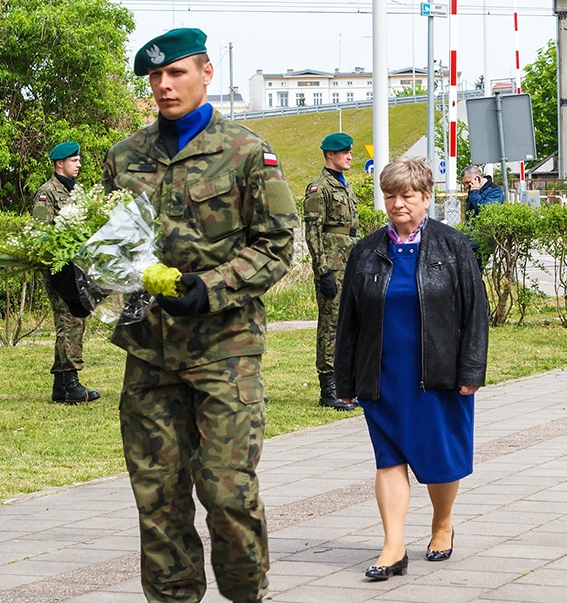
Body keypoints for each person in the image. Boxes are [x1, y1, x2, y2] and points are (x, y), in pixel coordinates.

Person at [98, 28, 297, 603]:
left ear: (206, 73)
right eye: (155, 77)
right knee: (157, 498)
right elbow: (115, 246)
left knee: (227, 492)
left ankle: (245, 594)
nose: (164, 85)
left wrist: (209, 286)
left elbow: (277, 244)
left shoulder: (245, 152)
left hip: (224, 348)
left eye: (176, 72)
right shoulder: (125, 156)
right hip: (149, 350)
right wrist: (79, 275)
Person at [334, 156, 489, 581]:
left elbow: (475, 313)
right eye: (390, 196)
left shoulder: (453, 246)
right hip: (382, 374)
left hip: (438, 372)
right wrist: (343, 378)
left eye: (407, 195)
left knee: (440, 458)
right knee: (389, 459)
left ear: (426, 197)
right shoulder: (365, 251)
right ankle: (393, 546)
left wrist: (471, 370)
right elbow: (348, 319)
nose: (398, 204)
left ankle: (442, 524)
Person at [32, 141, 100, 405]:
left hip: (77, 269)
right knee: (70, 323)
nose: (79, 164)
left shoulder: (77, 193)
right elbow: (40, 235)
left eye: (79, 160)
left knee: (72, 323)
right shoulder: (46, 193)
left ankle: (61, 386)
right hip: (59, 271)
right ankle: (71, 385)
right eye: (74, 160)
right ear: (59, 163)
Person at [303, 132, 358, 411]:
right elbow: (312, 232)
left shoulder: (345, 186)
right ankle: (329, 388)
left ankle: (346, 383)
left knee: (349, 324)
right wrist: (322, 271)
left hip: (349, 265)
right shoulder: (319, 188)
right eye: (344, 152)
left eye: (350, 151)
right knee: (330, 325)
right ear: (330, 155)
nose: (349, 156)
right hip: (332, 267)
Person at [460, 164, 504, 271]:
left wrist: (474, 193)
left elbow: (486, 210)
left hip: (482, 241)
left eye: (467, 183)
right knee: (469, 275)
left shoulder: (494, 190)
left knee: (475, 275)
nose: (466, 186)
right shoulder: (473, 191)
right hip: (470, 240)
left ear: (478, 178)